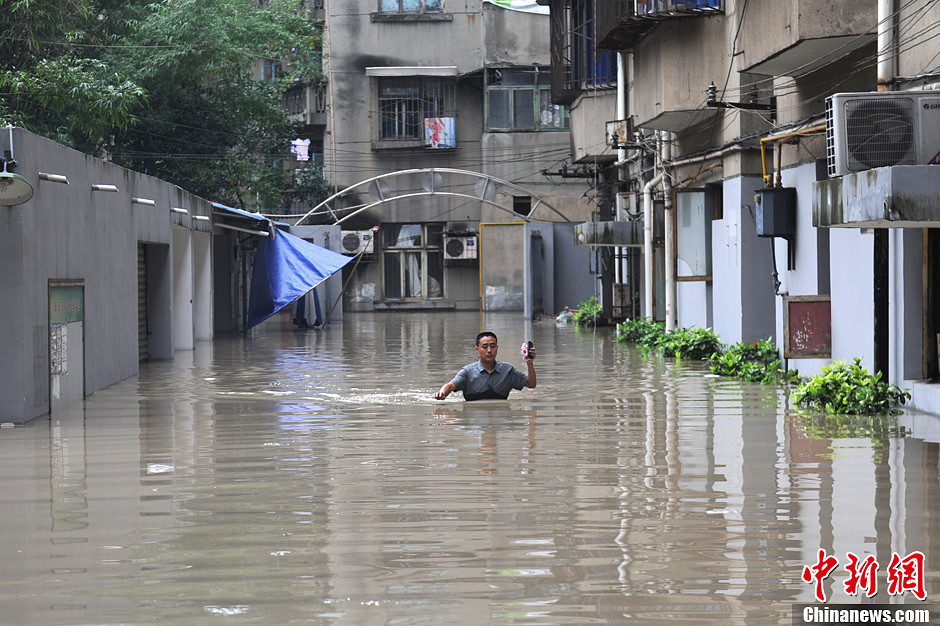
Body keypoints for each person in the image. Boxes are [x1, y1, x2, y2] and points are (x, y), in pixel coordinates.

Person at [433, 331, 536, 401]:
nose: (489, 351)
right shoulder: (468, 372)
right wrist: (442, 393)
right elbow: (450, 385)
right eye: (485, 347)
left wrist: (529, 363)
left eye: (492, 346)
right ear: (477, 350)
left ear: (497, 348)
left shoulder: (507, 370)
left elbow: (531, 384)